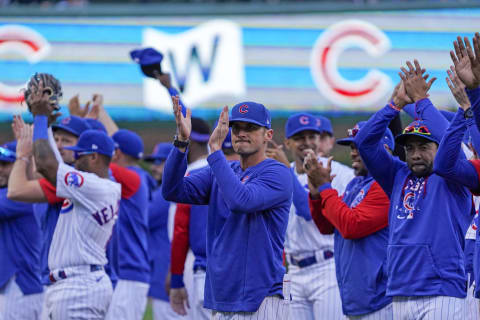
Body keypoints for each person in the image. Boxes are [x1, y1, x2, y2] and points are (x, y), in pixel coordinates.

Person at [355, 60, 472, 319]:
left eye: (423, 146)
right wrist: (393, 106)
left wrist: (421, 101)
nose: (416, 154)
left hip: (442, 290)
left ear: (439, 148)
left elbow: (446, 136)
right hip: (400, 289)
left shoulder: (452, 173)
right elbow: (364, 143)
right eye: (410, 148)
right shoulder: (396, 174)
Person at [162, 98, 292, 319]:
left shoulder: (277, 173)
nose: (241, 133)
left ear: (267, 135)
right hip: (222, 296)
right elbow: (173, 190)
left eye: (250, 128)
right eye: (237, 127)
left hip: (262, 297)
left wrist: (215, 151)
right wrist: (182, 142)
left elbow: (241, 201)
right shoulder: (222, 169)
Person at [26, 78, 122, 319]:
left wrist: (39, 118)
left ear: (94, 158)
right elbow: (53, 164)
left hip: (79, 286)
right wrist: (46, 126)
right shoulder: (97, 185)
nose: (73, 159)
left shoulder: (95, 187)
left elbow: (48, 166)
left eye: (79, 155)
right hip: (76, 283)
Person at [303, 122, 393, 319]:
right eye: (352, 147)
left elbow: (351, 226)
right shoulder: (356, 183)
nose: (353, 153)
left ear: (384, 148)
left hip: (380, 300)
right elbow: (328, 226)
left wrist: (326, 187)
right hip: (356, 298)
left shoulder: (385, 185)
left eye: (360, 147)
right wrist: (316, 194)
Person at [277, 112, 353, 320]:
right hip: (292, 270)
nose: (307, 142)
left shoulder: (338, 172)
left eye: (312, 136)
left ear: (320, 139)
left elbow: (307, 212)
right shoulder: (280, 173)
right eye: (300, 137)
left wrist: (285, 170)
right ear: (288, 142)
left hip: (326, 265)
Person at [169, 117, 211, 320]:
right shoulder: (221, 171)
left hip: (196, 263)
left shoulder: (193, 176)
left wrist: (176, 276)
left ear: (190, 142)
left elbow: (181, 230)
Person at [0, 139, 43, 320]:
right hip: (13, 288)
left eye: (6, 165)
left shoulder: (19, 196)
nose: (0, 169)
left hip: (19, 287)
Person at [144, 142, 183, 320]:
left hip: (166, 270)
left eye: (160, 162)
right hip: (170, 268)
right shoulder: (164, 189)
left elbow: (144, 219)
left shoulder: (164, 193)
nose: (154, 167)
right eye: (154, 162)